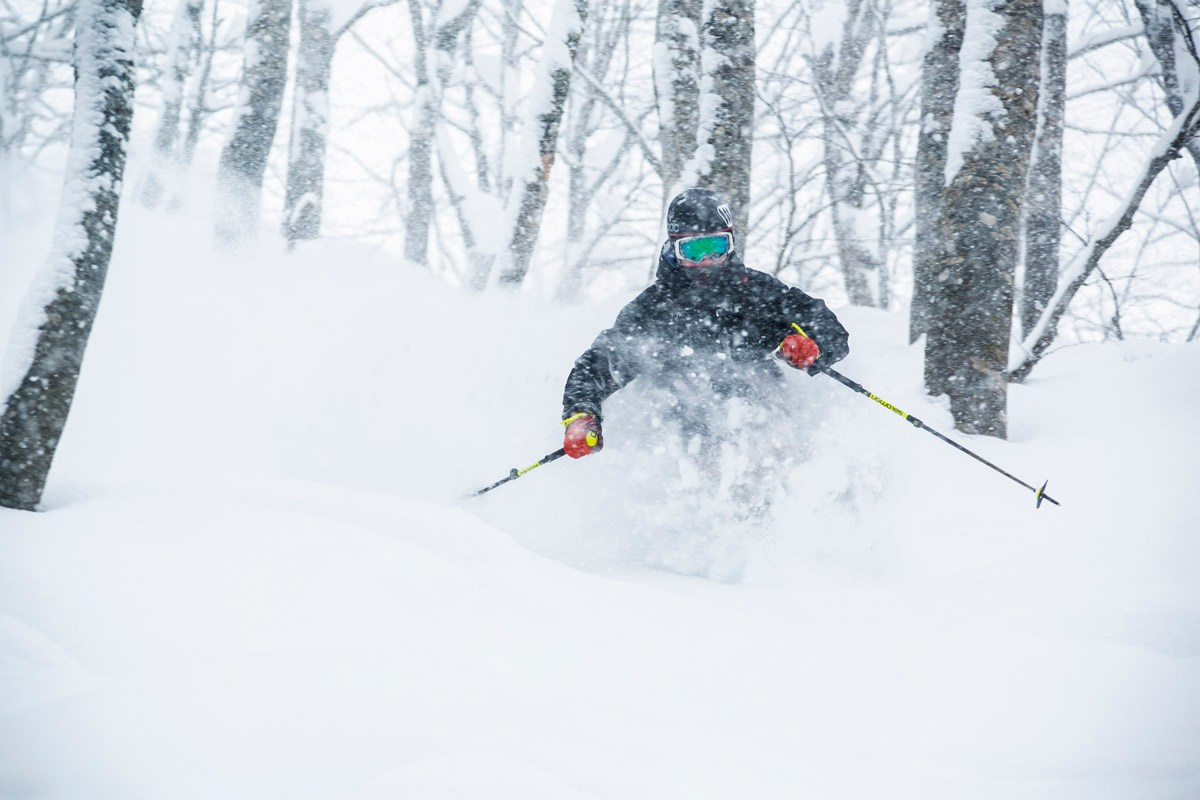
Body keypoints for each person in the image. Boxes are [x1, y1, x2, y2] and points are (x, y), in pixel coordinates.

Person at [560, 187, 849, 462]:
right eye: (694, 251)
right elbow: (597, 365)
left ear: (731, 243)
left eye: (716, 246)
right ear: (674, 249)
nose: (707, 261)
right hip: (685, 433)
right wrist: (582, 415)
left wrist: (812, 347)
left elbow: (826, 327)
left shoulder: (759, 294)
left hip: (764, 420)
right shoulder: (653, 311)